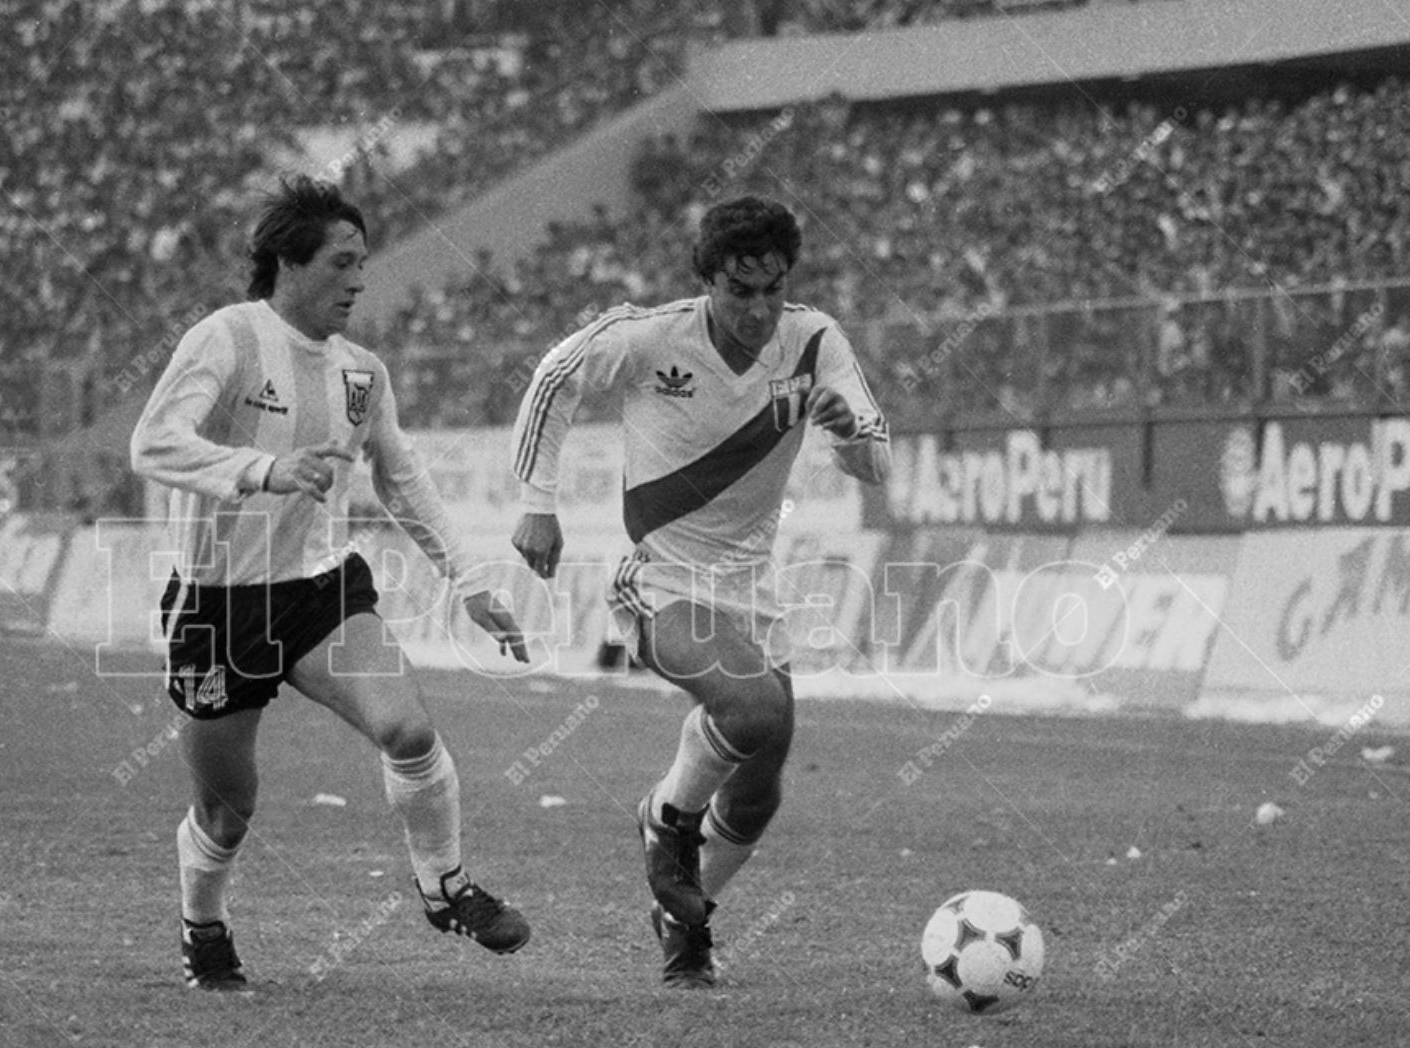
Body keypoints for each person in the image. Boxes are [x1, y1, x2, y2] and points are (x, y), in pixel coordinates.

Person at [131, 175, 533, 993]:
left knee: (409, 730)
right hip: (217, 604)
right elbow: (152, 443)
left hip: (319, 591)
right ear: (288, 262)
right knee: (227, 806)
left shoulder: (362, 371)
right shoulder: (227, 337)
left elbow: (402, 477)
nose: (359, 280)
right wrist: (263, 470)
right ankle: (203, 926)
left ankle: (444, 886)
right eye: (343, 262)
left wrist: (468, 579)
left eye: (364, 263)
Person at [509, 196, 889, 988]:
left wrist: (847, 430)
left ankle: (686, 921)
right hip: (661, 578)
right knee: (752, 710)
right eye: (738, 290)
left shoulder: (815, 340)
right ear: (708, 280)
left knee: (759, 788)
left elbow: (876, 461)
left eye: (772, 290)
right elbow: (553, 378)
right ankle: (667, 817)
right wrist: (537, 502)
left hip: (752, 589)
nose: (758, 309)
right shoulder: (653, 338)